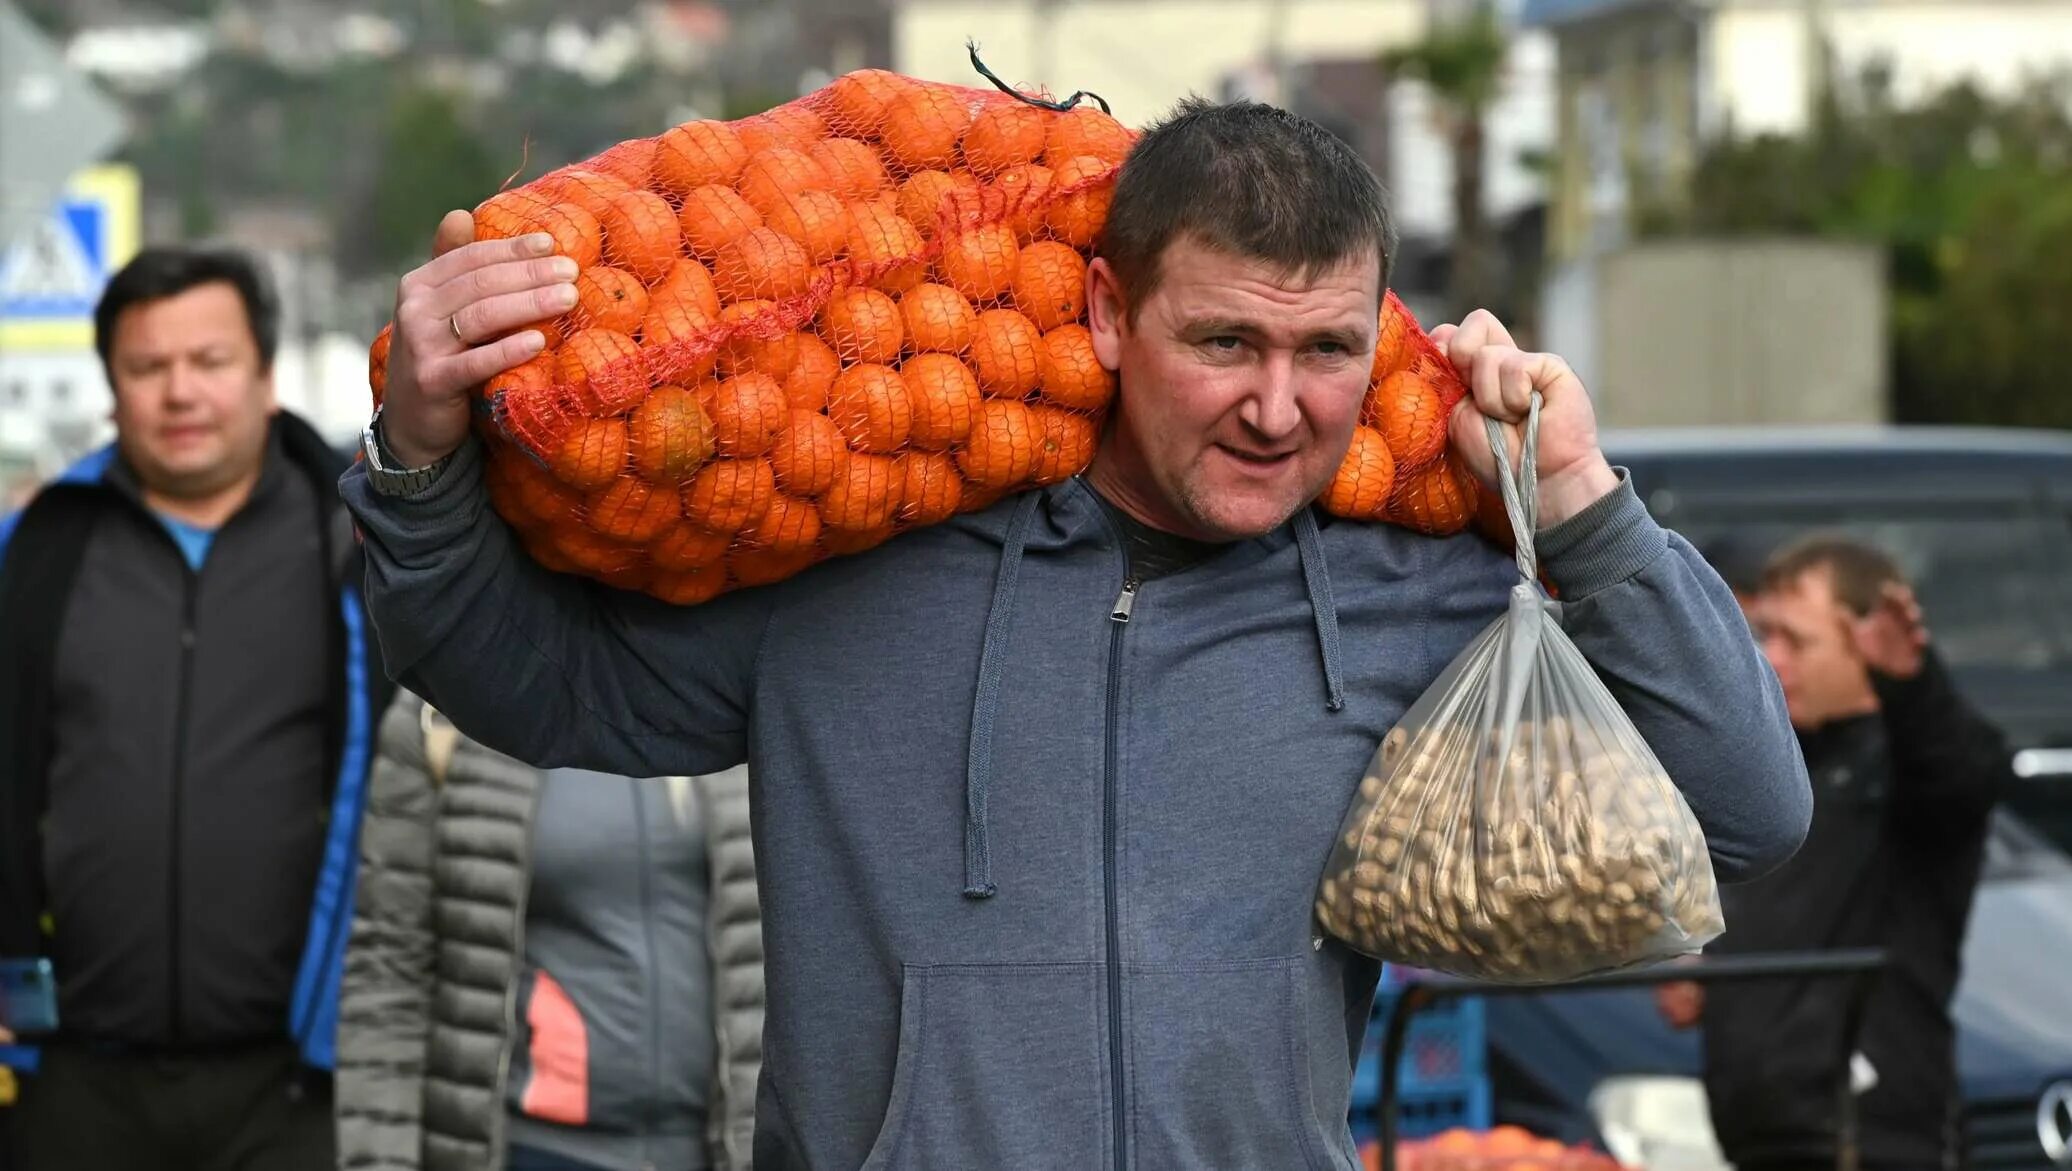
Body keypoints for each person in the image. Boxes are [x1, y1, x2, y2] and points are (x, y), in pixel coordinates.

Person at [343, 98, 1812, 1167]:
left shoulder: (1406, 594)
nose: (1280, 406)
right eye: (1225, 341)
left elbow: (1747, 807)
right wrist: (416, 452)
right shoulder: (862, 569)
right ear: (1108, 314)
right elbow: (528, 682)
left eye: (1328, 353)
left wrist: (1583, 503)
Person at [0, 246, 392, 1169]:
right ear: (112, 389)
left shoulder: (361, 544)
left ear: (264, 376)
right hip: (68, 1082)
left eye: (209, 362)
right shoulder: (37, 551)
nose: (180, 392)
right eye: (147, 367)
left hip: (297, 1084)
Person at [1656, 536, 2007, 1171]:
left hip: (1871, 1138)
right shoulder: (1782, 772)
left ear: (1865, 644)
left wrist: (1915, 685)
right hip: (1761, 1134)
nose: (1773, 661)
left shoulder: (1903, 769)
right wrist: (1705, 961)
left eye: (1798, 641)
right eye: (1766, 635)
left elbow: (1964, 776)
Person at [334, 691, 764, 1171]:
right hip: (538, 1149)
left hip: (731, 1150)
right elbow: (389, 970)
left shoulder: (743, 680)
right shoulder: (444, 700)